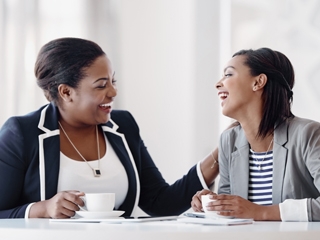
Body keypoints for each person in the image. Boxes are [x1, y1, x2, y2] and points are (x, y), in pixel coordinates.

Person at [0, 37, 219, 219]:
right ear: (66, 92)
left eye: (113, 82)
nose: (113, 92)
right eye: (101, 85)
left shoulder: (123, 126)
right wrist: (42, 209)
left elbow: (159, 202)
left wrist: (222, 152)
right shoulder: (21, 133)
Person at [191, 47, 320, 221]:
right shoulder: (229, 141)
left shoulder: (309, 135)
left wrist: (260, 212)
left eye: (228, 75)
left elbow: (252, 212)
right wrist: (214, 204)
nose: (218, 83)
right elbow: (232, 215)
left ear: (258, 82)